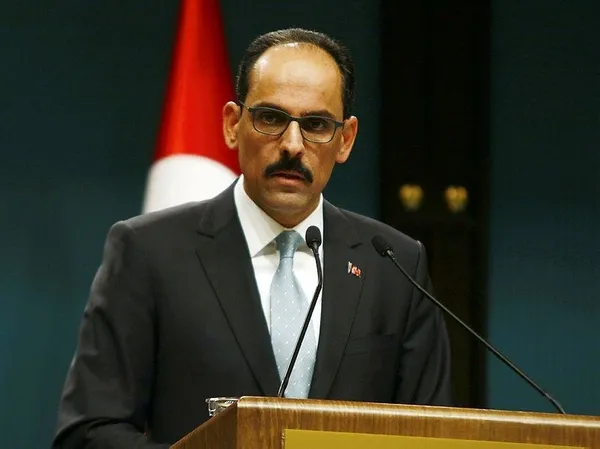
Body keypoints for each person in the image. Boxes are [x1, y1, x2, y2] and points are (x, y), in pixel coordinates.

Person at [52, 28, 451, 449]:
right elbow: (88, 433)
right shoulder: (149, 253)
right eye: (272, 118)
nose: (292, 145)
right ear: (232, 124)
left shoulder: (394, 265)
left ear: (345, 139)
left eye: (316, 124)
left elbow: (434, 436)